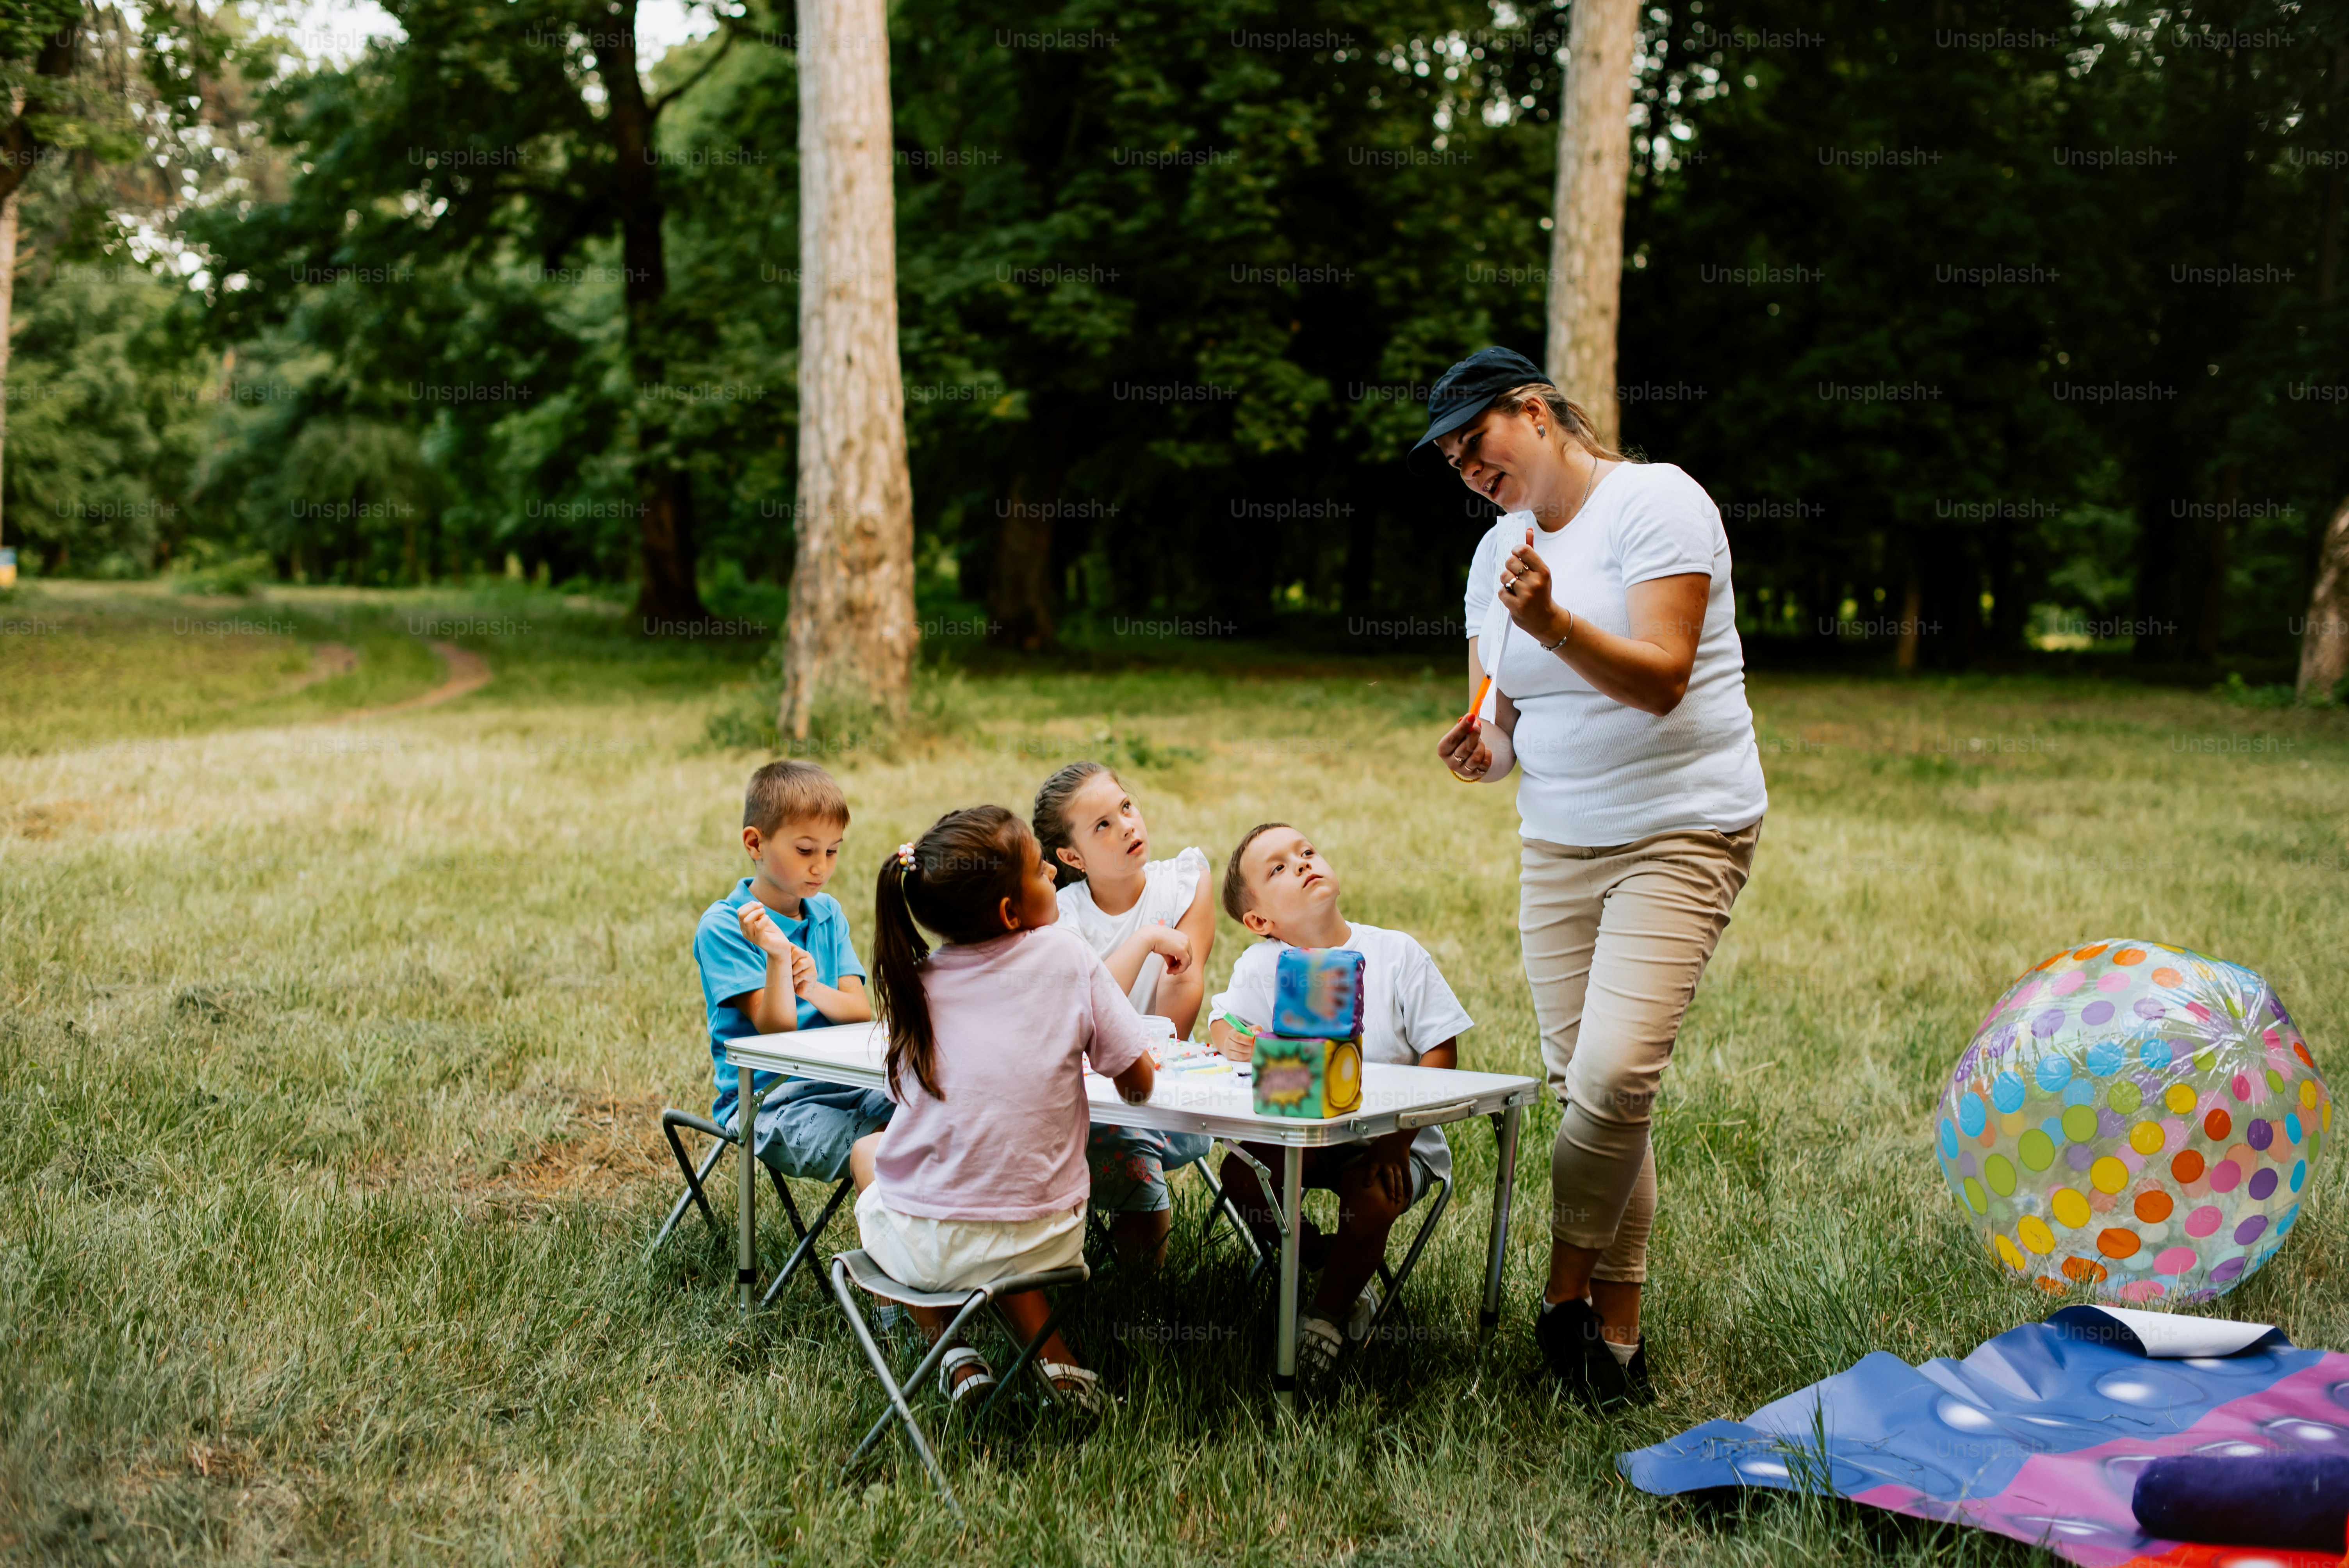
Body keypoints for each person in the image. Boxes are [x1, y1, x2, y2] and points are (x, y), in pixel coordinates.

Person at [1424, 345, 1767, 1405]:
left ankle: (1560, 1296)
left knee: (1614, 1080)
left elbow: (1661, 681)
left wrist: (1555, 622)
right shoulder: (1497, 557)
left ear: (1533, 413)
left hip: (1683, 827)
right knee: (1597, 1098)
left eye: (1477, 448)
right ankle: (1615, 1339)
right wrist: (1487, 747)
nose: (1472, 475)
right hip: (1558, 840)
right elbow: (1505, 708)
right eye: (1454, 465)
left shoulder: (1656, 505)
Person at [848, 805, 1156, 1412]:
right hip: (1048, 1245)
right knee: (1002, 1199)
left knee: (871, 1153)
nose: (1053, 875)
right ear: (1013, 913)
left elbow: (914, 1112)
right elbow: (1137, 1081)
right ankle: (1058, 1365)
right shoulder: (1068, 956)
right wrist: (1136, 1085)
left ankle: (953, 1353)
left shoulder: (917, 985)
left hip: (928, 1254)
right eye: (1043, 874)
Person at [1207, 821, 1472, 1388]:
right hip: (1304, 1136)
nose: (1302, 864)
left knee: (1373, 1192)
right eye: (1278, 868)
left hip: (1393, 1140)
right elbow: (1223, 1023)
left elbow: (1441, 1050)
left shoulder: (1395, 953)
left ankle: (1326, 1317)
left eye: (1306, 852)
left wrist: (1400, 1136)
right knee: (1240, 1171)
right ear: (1259, 923)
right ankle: (1319, 1259)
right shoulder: (1265, 966)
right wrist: (1228, 1036)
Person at [1032, 760, 1215, 1269]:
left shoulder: (1183, 884)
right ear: (1073, 856)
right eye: (1103, 826)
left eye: (1126, 808)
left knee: (1133, 1142)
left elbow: (1175, 1018)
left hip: (1161, 1089)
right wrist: (1146, 940)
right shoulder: (1062, 912)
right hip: (1075, 1096)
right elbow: (1083, 1011)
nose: (1128, 826)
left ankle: (1141, 1298)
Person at [693, 760, 888, 1186]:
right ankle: (888, 1252)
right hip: (768, 1102)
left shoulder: (827, 913)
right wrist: (778, 958)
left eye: (832, 850)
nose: (821, 866)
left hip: (845, 1081)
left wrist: (813, 987)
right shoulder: (725, 925)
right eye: (805, 850)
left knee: (941, 1117)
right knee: (889, 1148)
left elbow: (858, 1012)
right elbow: (776, 1030)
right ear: (755, 843)